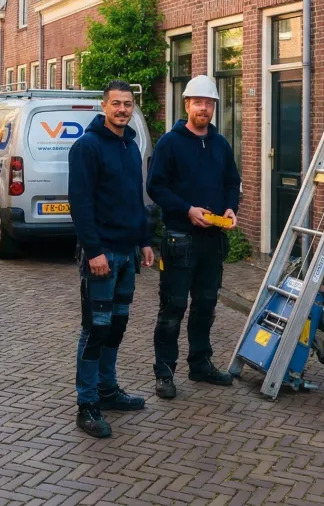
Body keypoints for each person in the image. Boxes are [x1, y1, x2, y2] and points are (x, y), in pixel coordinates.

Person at [68, 79, 155, 438]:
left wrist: (146, 240)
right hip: (101, 256)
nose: (122, 110)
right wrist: (94, 251)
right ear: (104, 106)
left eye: (128, 104)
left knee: (116, 326)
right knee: (95, 328)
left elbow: (136, 197)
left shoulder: (131, 147)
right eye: (116, 104)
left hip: (128, 253)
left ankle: (108, 389)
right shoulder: (87, 147)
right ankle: (87, 404)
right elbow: (80, 203)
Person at [147, 75, 241, 399]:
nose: (204, 108)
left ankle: (200, 364)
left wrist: (231, 208)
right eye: (198, 102)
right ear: (187, 104)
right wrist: (187, 209)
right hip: (179, 239)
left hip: (212, 241)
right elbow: (155, 186)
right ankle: (164, 372)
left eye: (209, 103)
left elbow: (232, 181)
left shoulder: (221, 144)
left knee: (205, 305)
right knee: (172, 308)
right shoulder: (169, 144)